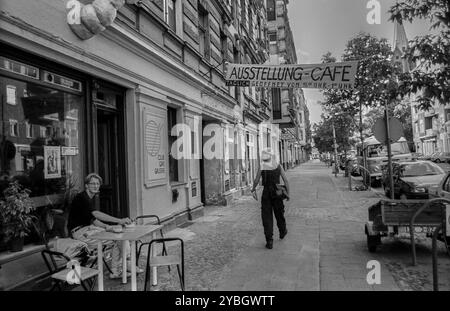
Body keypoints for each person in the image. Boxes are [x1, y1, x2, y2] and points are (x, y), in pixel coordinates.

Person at [68, 173, 143, 279]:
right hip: (79, 232)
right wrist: (119, 220)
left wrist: (107, 227)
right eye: (92, 183)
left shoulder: (87, 198)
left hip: (88, 229)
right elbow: (96, 214)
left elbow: (93, 220)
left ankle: (120, 269)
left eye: (97, 184)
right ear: (86, 185)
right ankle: (123, 267)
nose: (95, 186)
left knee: (119, 236)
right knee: (118, 238)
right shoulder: (82, 198)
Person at [251, 148, 290, 249]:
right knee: (279, 213)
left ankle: (269, 241)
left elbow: (256, 180)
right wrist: (288, 193)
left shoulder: (262, 166)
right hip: (277, 192)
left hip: (266, 193)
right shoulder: (278, 165)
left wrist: (253, 189)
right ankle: (282, 231)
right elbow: (286, 180)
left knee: (266, 216)